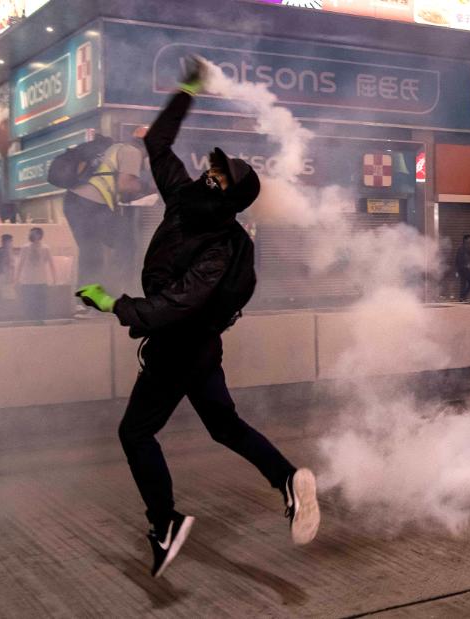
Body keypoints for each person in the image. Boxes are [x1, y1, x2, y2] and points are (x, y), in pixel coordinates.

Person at [74, 59, 319, 578]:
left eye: (218, 177)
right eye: (212, 169)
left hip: (181, 346)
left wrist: (114, 304)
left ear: (230, 197)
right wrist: (186, 90)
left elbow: (178, 304)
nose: (209, 174)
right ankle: (288, 479)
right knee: (224, 425)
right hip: (195, 348)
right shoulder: (184, 201)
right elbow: (157, 146)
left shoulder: (223, 244)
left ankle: (164, 522)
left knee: (135, 433)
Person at [63, 131, 146, 310]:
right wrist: (149, 186)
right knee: (126, 242)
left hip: (74, 202)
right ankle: (122, 291)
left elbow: (117, 189)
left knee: (91, 251)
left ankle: (85, 303)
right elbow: (125, 184)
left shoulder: (116, 150)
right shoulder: (133, 152)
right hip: (91, 205)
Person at [16, 228, 56, 321]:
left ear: (39, 235)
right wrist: (17, 279)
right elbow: (20, 264)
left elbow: (51, 264)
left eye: (33, 233)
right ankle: (29, 321)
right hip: (27, 281)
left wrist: (54, 279)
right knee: (28, 303)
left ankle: (40, 321)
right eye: (30, 233)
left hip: (41, 281)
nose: (31, 235)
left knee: (41, 303)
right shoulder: (25, 248)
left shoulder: (45, 248)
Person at [455, 234, 470, 302]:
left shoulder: (468, 247)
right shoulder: (461, 248)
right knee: (467, 282)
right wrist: (458, 269)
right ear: (465, 240)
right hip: (463, 268)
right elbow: (457, 259)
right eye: (469, 239)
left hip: (466, 268)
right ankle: (462, 296)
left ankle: (462, 296)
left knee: (469, 282)